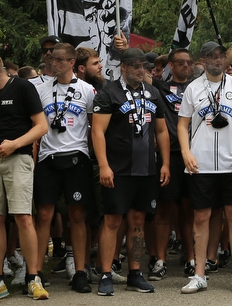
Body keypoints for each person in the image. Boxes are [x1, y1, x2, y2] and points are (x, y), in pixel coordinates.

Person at [0, 53, 49, 303]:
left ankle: (33, 278)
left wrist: (15, 144)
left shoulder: (24, 88)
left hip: (18, 158)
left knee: (23, 217)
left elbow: (41, 126)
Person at [92, 48, 171, 296]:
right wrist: (104, 165)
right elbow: (97, 132)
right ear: (123, 67)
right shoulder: (109, 92)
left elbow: (161, 131)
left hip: (146, 169)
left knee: (138, 220)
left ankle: (135, 273)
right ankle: (105, 273)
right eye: (135, 66)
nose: (141, 71)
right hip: (118, 169)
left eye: (144, 67)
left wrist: (165, 163)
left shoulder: (153, 92)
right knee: (113, 219)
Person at [178, 42, 232, 296]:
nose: (216, 60)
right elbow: (182, 125)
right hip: (201, 164)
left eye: (220, 55)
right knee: (201, 217)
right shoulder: (193, 88)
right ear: (202, 60)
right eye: (211, 56)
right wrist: (186, 152)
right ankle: (199, 274)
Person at [30, 43, 97, 294]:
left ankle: (80, 271)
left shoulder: (87, 90)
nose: (53, 63)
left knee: (77, 215)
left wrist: (92, 155)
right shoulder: (39, 89)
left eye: (59, 59)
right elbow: (35, 128)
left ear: (71, 63)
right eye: (51, 58)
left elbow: (93, 127)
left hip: (77, 157)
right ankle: (35, 272)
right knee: (44, 215)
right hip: (48, 158)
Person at [148, 47, 194, 281]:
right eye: (181, 63)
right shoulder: (160, 87)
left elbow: (223, 62)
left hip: (194, 157)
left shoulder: (199, 87)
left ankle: (191, 259)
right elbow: (139, 73)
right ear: (171, 66)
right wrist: (123, 50)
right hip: (169, 156)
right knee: (164, 209)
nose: (186, 66)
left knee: (189, 211)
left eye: (189, 63)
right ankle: (160, 260)